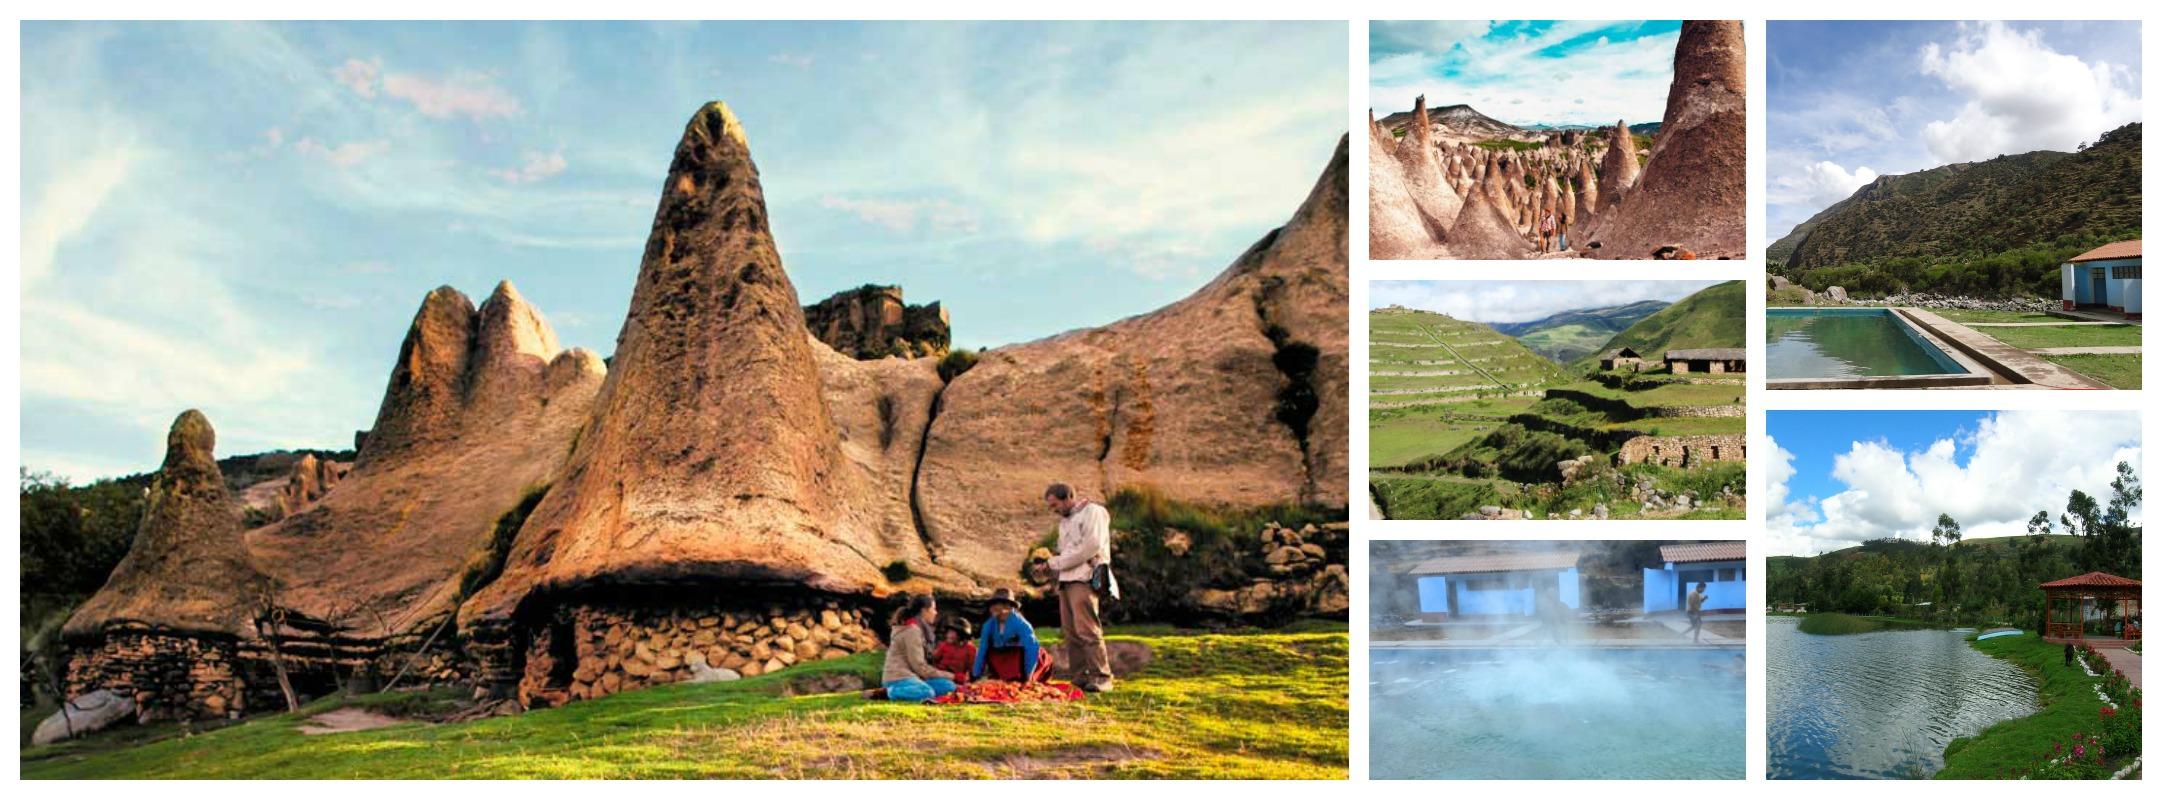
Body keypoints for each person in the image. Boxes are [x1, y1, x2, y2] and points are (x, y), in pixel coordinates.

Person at [1031, 483, 1115, 693]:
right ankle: (1080, 677)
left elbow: (1090, 547)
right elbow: (1067, 552)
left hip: (1084, 577)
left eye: (1055, 505)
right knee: (1071, 632)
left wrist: (1054, 563)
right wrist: (1048, 565)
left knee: (1087, 629)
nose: (1054, 510)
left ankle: (1102, 676)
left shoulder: (1093, 512)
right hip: (1066, 580)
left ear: (1068, 497)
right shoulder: (1064, 522)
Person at [880, 593, 957, 702]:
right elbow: (919, 667)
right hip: (899, 677)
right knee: (926, 692)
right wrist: (951, 675)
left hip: (915, 677)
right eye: (933, 609)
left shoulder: (921, 629)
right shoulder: (912, 631)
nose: (936, 612)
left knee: (948, 686)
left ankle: (911, 689)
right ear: (924, 610)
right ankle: (889, 692)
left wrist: (948, 676)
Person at [973, 588, 1054, 683]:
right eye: (992, 604)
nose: (992, 607)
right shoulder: (988, 625)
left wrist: (1028, 676)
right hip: (1001, 658)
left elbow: (1031, 649)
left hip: (1021, 659)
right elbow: (982, 649)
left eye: (996, 604)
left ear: (1007, 606)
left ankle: (1022, 678)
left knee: (1036, 655)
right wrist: (975, 675)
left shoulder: (1022, 624)